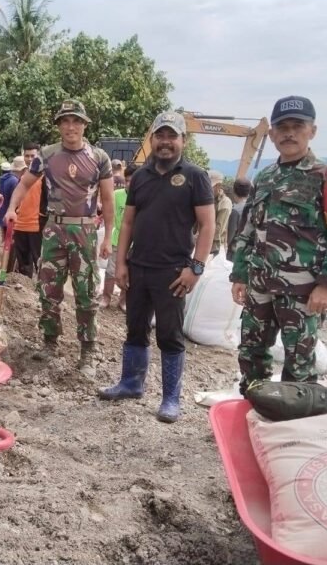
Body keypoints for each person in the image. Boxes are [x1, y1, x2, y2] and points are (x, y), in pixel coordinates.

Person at [230, 95, 327, 394]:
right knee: (251, 354)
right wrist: (239, 274)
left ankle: (293, 425)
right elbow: (249, 228)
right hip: (260, 287)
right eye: (282, 127)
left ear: (312, 131)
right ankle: (256, 408)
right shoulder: (265, 178)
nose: (289, 133)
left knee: (299, 362)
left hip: (302, 291)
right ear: (271, 135)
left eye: (297, 126)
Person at [98, 112, 215, 423]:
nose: (165, 142)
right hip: (138, 268)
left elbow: (207, 226)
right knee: (134, 329)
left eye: (171, 136)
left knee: (170, 335)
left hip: (174, 272)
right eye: (159, 136)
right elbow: (128, 223)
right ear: (152, 140)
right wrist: (121, 262)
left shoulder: (195, 176)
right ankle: (130, 384)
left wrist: (196, 268)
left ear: (182, 141)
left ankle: (170, 399)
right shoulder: (142, 176)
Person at [4, 99, 114, 376]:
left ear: (85, 124)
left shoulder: (99, 158)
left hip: (86, 231)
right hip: (54, 230)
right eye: (65, 121)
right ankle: (50, 341)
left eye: (76, 120)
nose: (70, 126)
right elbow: (25, 184)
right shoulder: (47, 154)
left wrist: (107, 237)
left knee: (86, 291)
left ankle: (88, 348)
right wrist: (11, 208)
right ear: (58, 126)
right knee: (48, 289)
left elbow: (109, 200)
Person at [100, 162, 137, 311]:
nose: (129, 184)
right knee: (110, 270)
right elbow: (109, 215)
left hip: (135, 244)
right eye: (127, 180)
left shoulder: (144, 198)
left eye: (133, 181)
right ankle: (105, 297)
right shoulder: (117, 195)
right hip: (117, 240)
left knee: (130, 273)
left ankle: (123, 301)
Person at [12, 153, 44, 278]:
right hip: (20, 225)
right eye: (27, 155)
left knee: (39, 262)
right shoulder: (21, 179)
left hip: (36, 225)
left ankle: (41, 292)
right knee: (23, 265)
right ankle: (24, 291)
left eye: (33, 156)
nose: (30, 159)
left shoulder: (44, 178)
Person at [226, 177, 251, 261]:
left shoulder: (235, 210)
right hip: (246, 251)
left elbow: (231, 232)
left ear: (234, 190)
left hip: (233, 251)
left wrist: (225, 246)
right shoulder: (252, 208)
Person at [209, 169, 232, 255]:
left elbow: (218, 229)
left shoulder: (225, 203)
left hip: (214, 248)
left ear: (219, 186)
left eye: (210, 186)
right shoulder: (205, 198)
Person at [0, 161, 18, 241]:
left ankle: (5, 252)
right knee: (12, 237)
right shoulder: (14, 180)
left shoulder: (0, 180)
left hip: (2, 210)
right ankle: (9, 252)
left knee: (5, 236)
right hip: (11, 211)